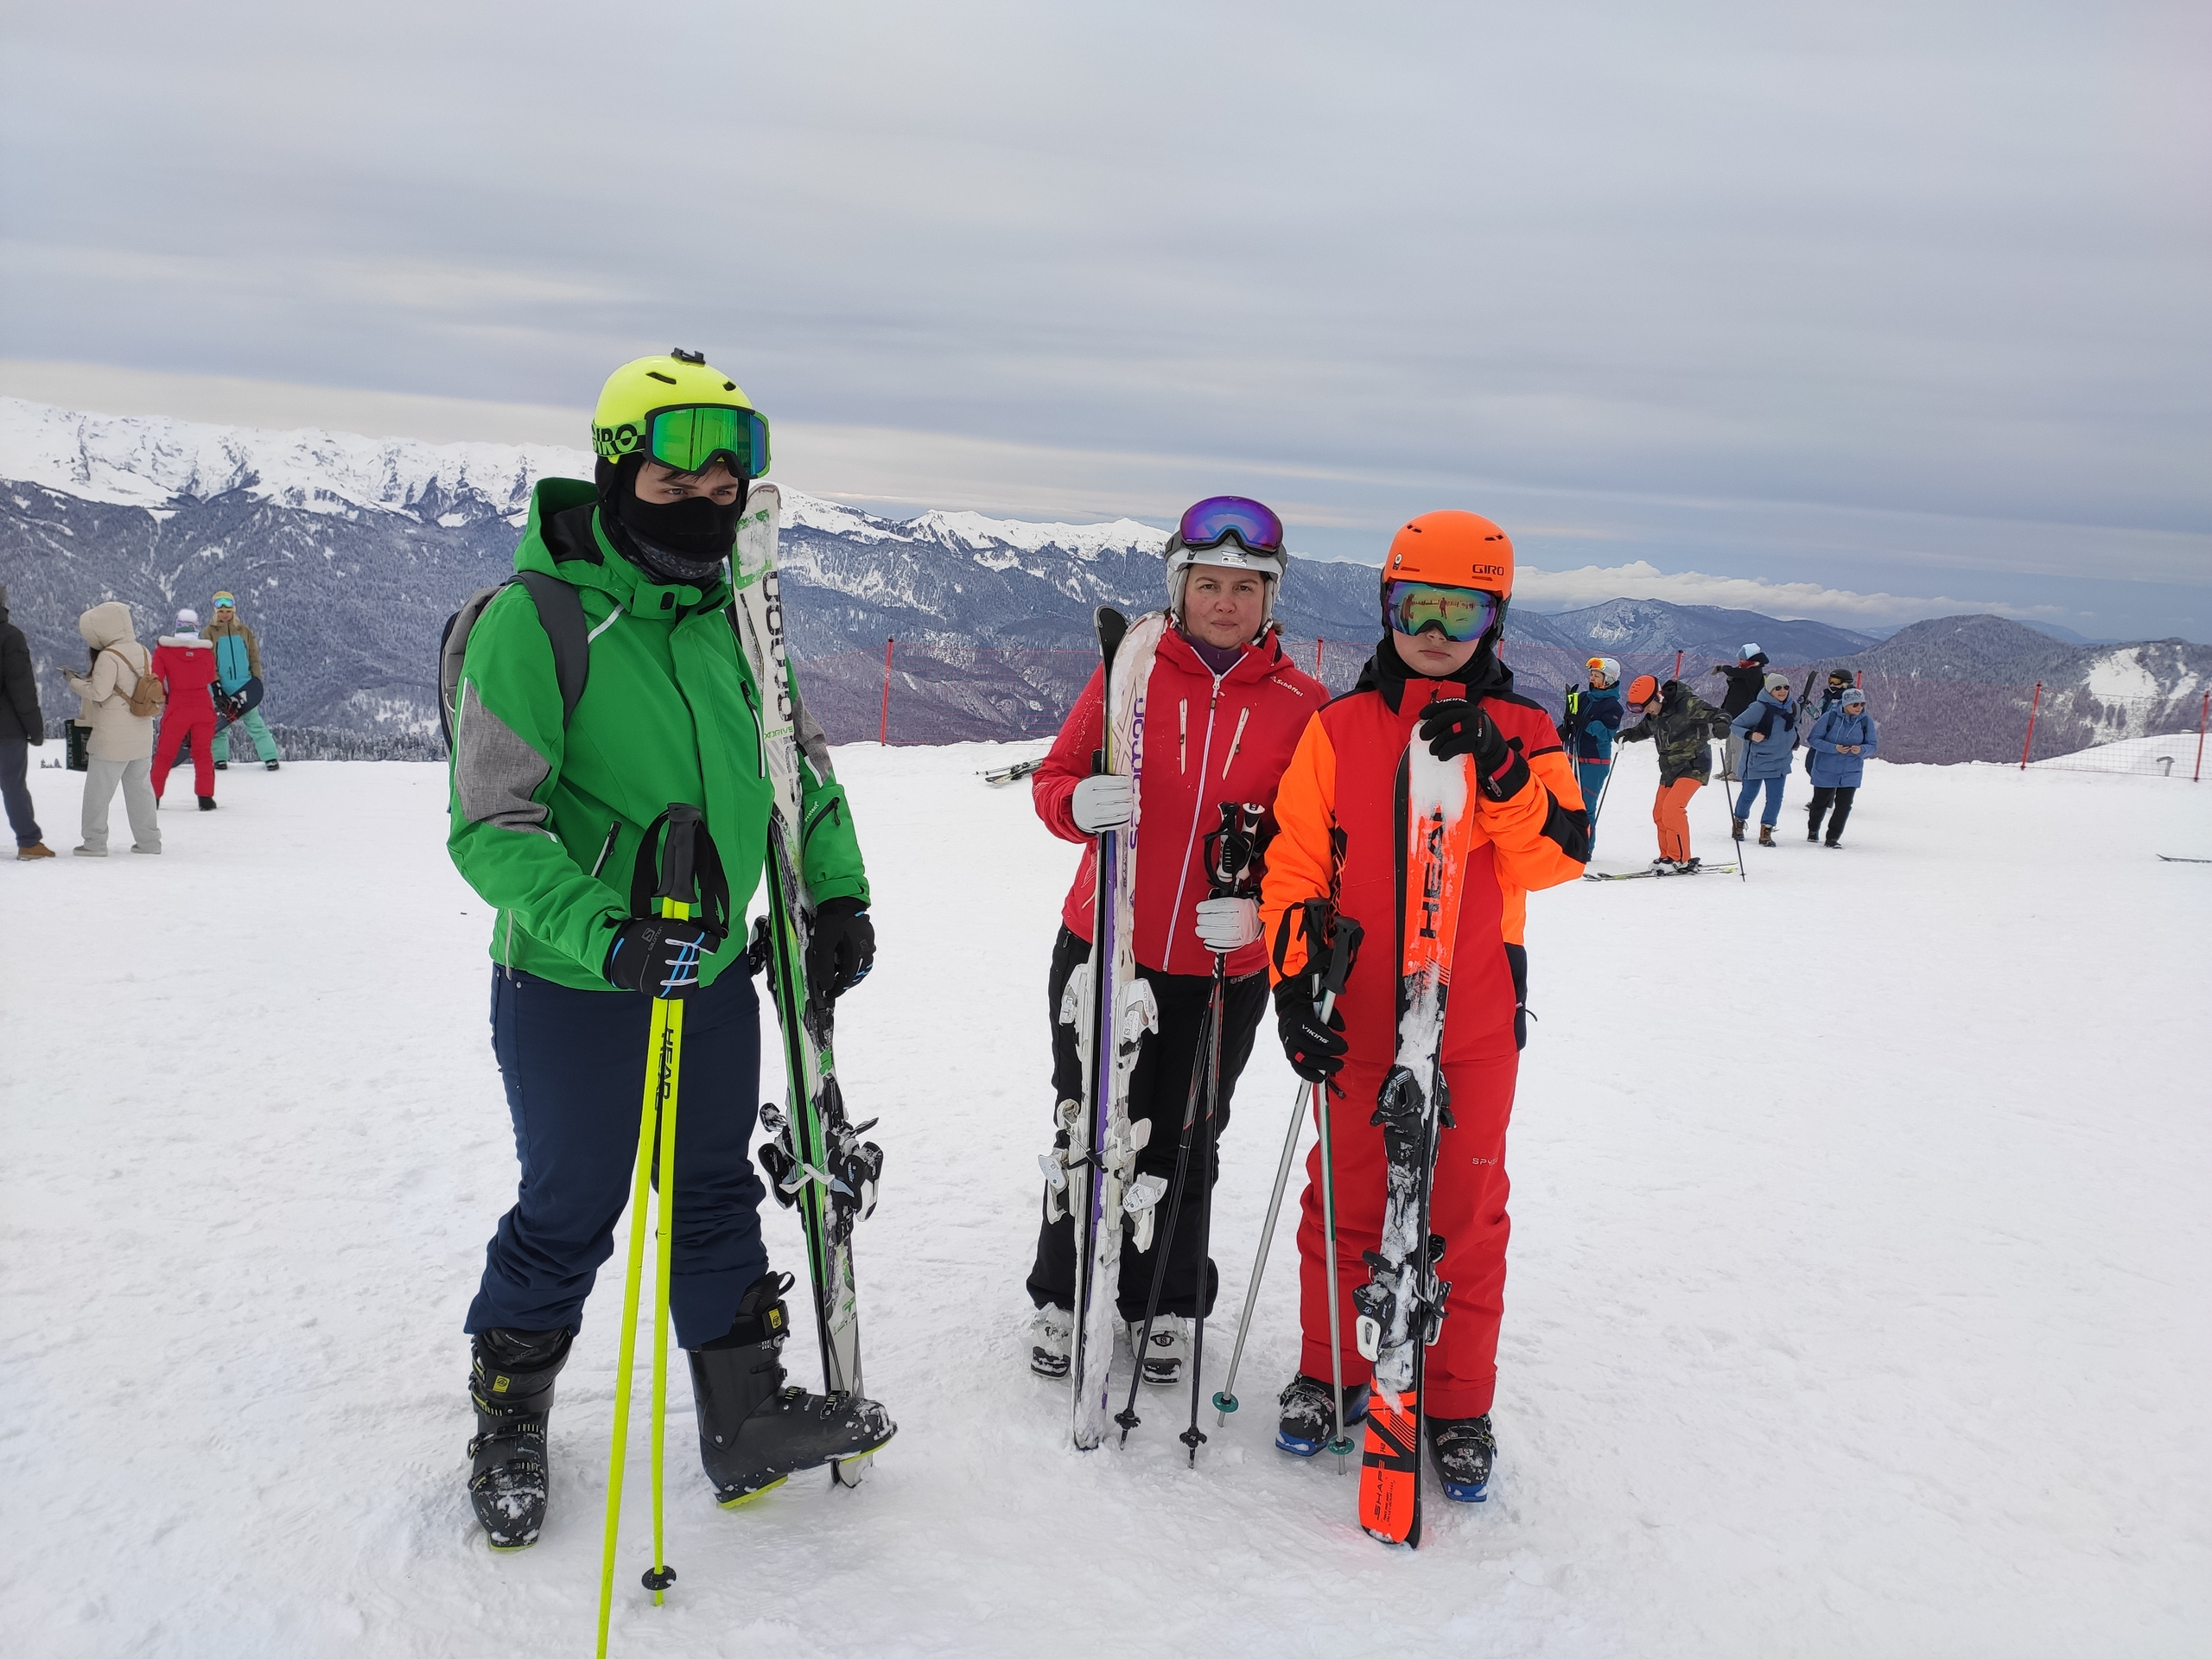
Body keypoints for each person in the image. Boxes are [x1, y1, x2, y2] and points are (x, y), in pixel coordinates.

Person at [445, 351, 892, 1552]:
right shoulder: (535, 621)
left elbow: (798, 767)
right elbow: (490, 825)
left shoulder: (743, 618)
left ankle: (742, 1416)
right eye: (674, 465)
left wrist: (832, 894)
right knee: (573, 1203)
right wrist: (608, 933)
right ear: (614, 469)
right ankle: (510, 1413)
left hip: (709, 979)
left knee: (709, 1193)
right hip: (573, 984)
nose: (701, 491)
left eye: (726, 470)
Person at [1260, 510, 1588, 1503]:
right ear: (1387, 607)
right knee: (1348, 1196)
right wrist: (1292, 977)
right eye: (1415, 605)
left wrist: (1500, 776)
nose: (1434, 629)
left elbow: (1557, 858)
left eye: (1461, 609)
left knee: (1464, 1212)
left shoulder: (1527, 731)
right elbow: (1293, 867)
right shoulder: (1338, 728)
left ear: (1494, 618)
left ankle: (1455, 1401)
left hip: (1475, 1015)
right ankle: (1336, 1368)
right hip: (1359, 1007)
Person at [1025, 496, 1326, 1389]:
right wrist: (1075, 807)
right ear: (1179, 586)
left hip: (1220, 963)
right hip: (1102, 943)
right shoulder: (1129, 674)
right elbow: (1054, 777)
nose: (1224, 603)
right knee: (1088, 1118)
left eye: (1245, 587)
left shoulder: (1301, 707)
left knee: (1189, 1132)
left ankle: (1163, 1298)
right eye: (1207, 584)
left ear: (1270, 598)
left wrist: (1265, 916)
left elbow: (1317, 847)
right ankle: (1066, 1292)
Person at [60, 602, 161, 857]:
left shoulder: (108, 656)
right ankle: (149, 842)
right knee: (141, 791)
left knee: (98, 794)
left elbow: (99, 693)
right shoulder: (143, 651)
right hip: (141, 734)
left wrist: (74, 682)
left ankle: (94, 843)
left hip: (112, 739)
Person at [1613, 672, 1732, 872]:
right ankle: (1666, 856)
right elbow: (1644, 729)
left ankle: (1680, 859)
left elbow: (1719, 713)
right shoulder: (1654, 713)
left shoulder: (1687, 705)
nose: (1647, 711)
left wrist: (1721, 723)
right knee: (1659, 813)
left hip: (1694, 764)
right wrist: (1628, 735)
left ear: (1659, 695)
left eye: (1647, 705)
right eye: (1642, 708)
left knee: (1672, 809)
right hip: (1670, 768)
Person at [0, 582, 54, 860]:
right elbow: (22, 689)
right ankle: (29, 843)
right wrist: (35, 729)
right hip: (6, 731)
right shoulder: (9, 637)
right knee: (13, 786)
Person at [150, 609, 222, 810]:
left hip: (177, 705)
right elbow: (209, 676)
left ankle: (153, 797)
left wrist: (165, 700)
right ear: (196, 628)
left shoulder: (163, 651)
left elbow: (156, 680)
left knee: (165, 754)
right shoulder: (206, 652)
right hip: (203, 705)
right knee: (203, 753)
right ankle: (205, 798)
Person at [202, 593, 281, 771]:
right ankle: (220, 759)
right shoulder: (209, 632)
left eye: (228, 611)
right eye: (221, 611)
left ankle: (270, 757)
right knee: (221, 726)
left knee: (254, 723)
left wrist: (256, 679)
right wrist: (216, 686)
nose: (225, 614)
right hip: (224, 686)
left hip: (245, 686)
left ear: (233, 611)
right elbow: (208, 661)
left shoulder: (243, 631)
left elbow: (253, 656)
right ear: (216, 612)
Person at [1558, 656, 1622, 851]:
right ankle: (1567, 844)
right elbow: (1571, 720)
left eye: (1597, 675)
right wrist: (1564, 728)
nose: (1592, 678)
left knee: (1585, 806)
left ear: (1609, 679)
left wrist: (1584, 723)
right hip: (1574, 755)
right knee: (1567, 802)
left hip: (1594, 762)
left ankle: (1584, 849)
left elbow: (1607, 734)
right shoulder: (1583, 698)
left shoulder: (1612, 706)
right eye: (1592, 674)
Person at [1729, 671, 1798, 848]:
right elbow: (1735, 725)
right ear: (1769, 691)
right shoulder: (1758, 708)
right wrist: (1750, 735)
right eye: (1777, 688)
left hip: (1780, 760)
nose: (1782, 691)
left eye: (1786, 687)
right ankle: (1739, 822)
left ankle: (1766, 830)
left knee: (1775, 798)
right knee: (1749, 795)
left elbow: (1794, 725)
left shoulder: (1793, 707)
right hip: (1756, 760)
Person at [1805, 684, 1878, 847]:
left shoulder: (1866, 722)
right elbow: (1813, 739)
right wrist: (1834, 748)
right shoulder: (1829, 718)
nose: (1859, 708)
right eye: (1855, 704)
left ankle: (1833, 838)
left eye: (1862, 704)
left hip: (1851, 771)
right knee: (1820, 802)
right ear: (1846, 704)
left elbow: (1873, 745)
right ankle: (1813, 830)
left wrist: (1862, 750)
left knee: (1844, 806)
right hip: (1826, 768)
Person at [1708, 645, 1769, 781]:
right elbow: (1736, 685)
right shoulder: (1746, 670)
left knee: (1737, 744)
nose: (1740, 661)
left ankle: (1737, 772)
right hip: (1733, 711)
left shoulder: (1755, 671)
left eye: (1742, 658)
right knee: (1730, 744)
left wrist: (1724, 668)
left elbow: (1733, 672)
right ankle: (1728, 769)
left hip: (1743, 713)